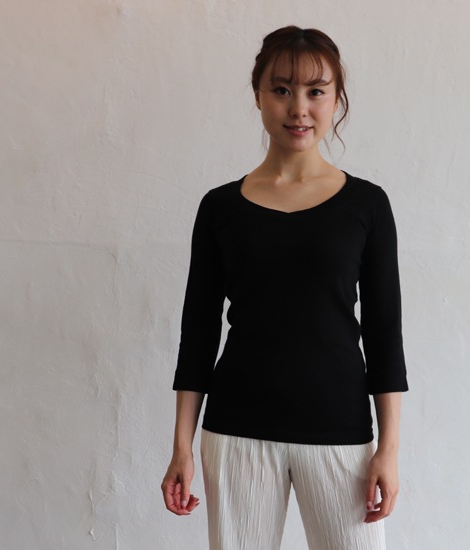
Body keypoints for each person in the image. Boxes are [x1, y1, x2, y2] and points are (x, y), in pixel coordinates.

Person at [161, 25, 409, 550]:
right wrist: (182, 445)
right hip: (237, 430)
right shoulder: (220, 208)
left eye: (316, 91)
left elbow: (384, 332)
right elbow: (198, 333)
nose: (299, 108)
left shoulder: (367, 206)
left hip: (340, 430)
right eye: (281, 89)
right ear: (258, 96)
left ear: (336, 99)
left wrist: (388, 449)